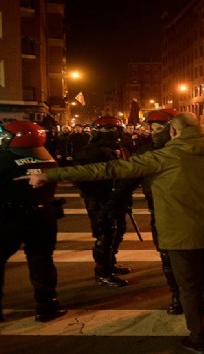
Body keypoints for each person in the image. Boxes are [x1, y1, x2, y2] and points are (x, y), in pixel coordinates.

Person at [18, 112, 204, 354]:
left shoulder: (162, 157)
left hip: (181, 235)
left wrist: (48, 175)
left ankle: (198, 339)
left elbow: (108, 170)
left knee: (189, 288)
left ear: (174, 132)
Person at [0, 121, 67, 323]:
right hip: (44, 217)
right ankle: (47, 306)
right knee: (42, 261)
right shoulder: (47, 159)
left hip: (9, 219)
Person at [122, 108, 184, 314]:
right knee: (167, 256)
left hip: (191, 210)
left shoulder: (193, 149)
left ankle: (196, 293)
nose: (155, 132)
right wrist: (116, 201)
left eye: (160, 128)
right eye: (153, 128)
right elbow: (128, 178)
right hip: (160, 210)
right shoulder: (145, 152)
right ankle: (177, 295)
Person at [75, 116, 132, 287]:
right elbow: (82, 179)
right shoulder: (90, 151)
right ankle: (103, 272)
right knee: (105, 235)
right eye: (110, 130)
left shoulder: (119, 149)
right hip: (100, 199)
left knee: (118, 230)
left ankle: (110, 263)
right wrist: (97, 198)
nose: (115, 134)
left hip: (116, 198)